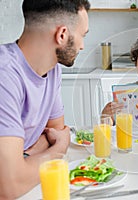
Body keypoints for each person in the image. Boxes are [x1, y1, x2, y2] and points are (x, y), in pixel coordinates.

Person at [0, 0, 90, 198]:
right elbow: (8, 185)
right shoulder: (4, 74)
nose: (83, 46)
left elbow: (55, 132)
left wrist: (23, 159)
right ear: (62, 35)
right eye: (83, 36)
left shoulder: (52, 69)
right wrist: (59, 149)